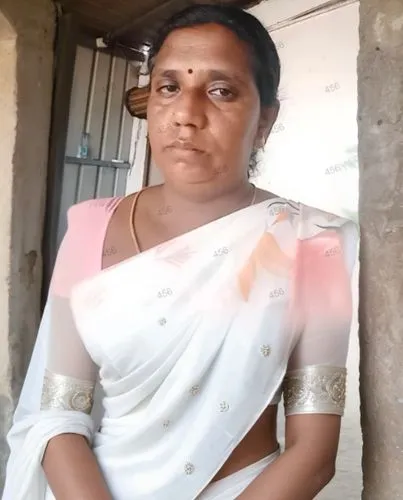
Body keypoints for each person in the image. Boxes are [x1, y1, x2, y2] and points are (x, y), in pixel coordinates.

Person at [3, 4, 358, 500]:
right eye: (170, 86)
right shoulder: (89, 229)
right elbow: (58, 410)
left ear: (265, 120)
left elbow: (314, 452)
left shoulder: (313, 242)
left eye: (221, 91)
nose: (187, 114)